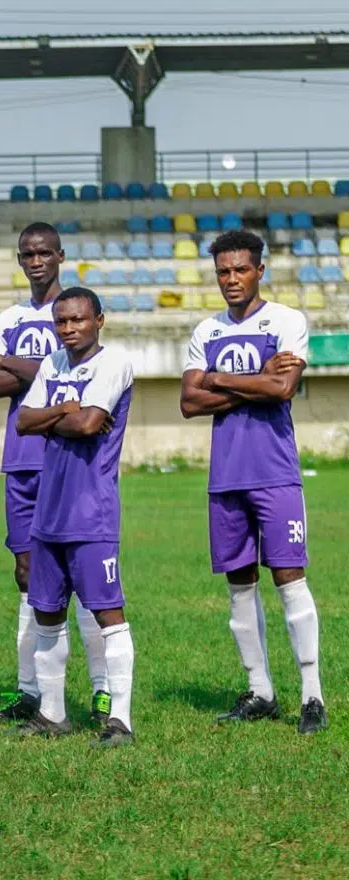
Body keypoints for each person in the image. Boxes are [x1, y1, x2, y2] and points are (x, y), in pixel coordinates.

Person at [180, 229, 326, 735]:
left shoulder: (286, 320)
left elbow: (283, 387)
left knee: (289, 578)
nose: (231, 279)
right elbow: (188, 402)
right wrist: (252, 381)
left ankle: (312, 696)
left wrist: (217, 378)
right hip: (226, 478)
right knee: (239, 586)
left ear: (260, 270)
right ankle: (260, 691)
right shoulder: (206, 331)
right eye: (223, 271)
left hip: (275, 473)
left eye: (241, 269)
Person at [0, 222, 109, 725]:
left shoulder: (73, 314)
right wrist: (36, 368)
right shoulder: (9, 317)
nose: (36, 261)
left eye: (44, 253)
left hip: (68, 458)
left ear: (60, 256)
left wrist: (12, 364)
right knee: (27, 575)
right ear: (20, 260)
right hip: (21, 458)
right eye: (28, 255)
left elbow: (75, 373)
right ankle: (30, 690)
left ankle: (102, 690)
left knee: (85, 574)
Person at [14, 287, 136, 747]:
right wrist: (65, 410)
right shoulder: (52, 364)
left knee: (108, 613)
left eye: (78, 320)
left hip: (91, 510)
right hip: (49, 510)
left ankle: (120, 719)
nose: (69, 328)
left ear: (99, 320)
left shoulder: (114, 363)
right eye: (61, 321)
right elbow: (22, 422)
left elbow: (87, 426)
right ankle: (53, 714)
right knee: (47, 614)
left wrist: (56, 417)